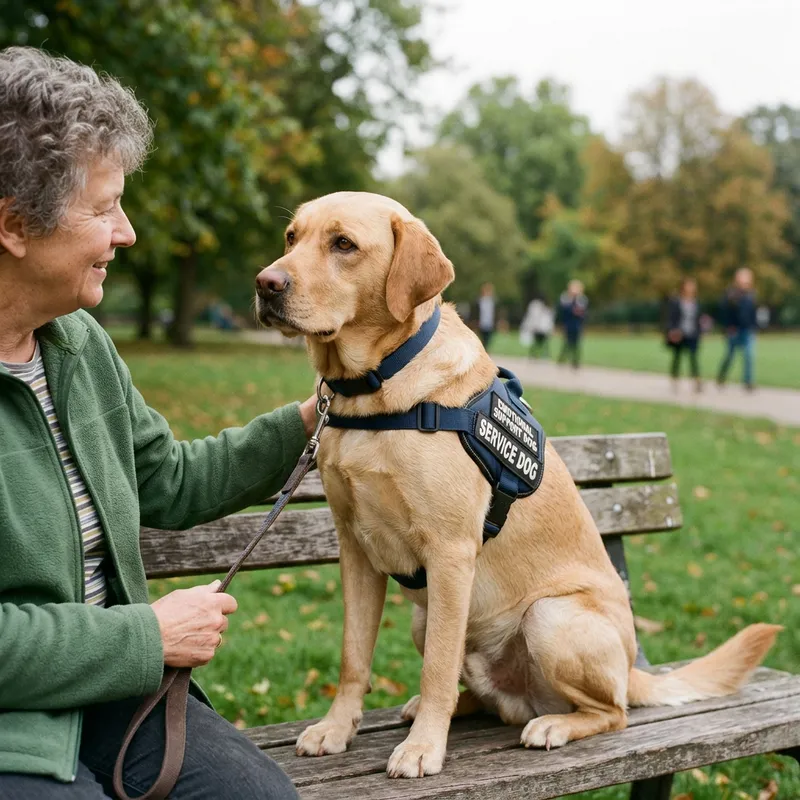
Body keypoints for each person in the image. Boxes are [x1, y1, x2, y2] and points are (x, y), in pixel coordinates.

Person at [0, 47, 316, 798]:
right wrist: (146, 635)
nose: (128, 232)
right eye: (105, 207)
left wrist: (313, 419)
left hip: (116, 697)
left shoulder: (76, 344)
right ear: (14, 224)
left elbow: (168, 480)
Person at [716, 267, 758, 391]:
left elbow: (752, 313)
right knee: (730, 356)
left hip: (747, 330)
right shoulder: (731, 294)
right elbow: (724, 312)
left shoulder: (751, 294)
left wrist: (754, 327)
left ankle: (748, 382)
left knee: (749, 355)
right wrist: (728, 327)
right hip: (734, 330)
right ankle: (721, 377)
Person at [664, 277, 703, 392]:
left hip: (692, 334)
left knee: (693, 358)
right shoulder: (676, 301)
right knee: (677, 358)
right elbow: (671, 318)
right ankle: (675, 380)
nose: (690, 288)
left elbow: (698, 319)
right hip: (679, 334)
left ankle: (697, 382)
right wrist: (672, 330)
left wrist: (699, 331)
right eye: (688, 285)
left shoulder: (696, 302)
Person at [557, 279, 588, 368]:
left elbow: (583, 313)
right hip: (568, 325)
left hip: (577, 325)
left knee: (576, 344)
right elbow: (564, 311)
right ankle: (562, 359)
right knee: (566, 343)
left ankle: (575, 362)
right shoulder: (565, 299)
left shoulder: (582, 300)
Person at [477, 282, 496, 349]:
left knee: (488, 340)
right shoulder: (479, 301)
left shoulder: (492, 302)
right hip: (481, 324)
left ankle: (486, 351)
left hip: (490, 324)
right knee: (481, 340)